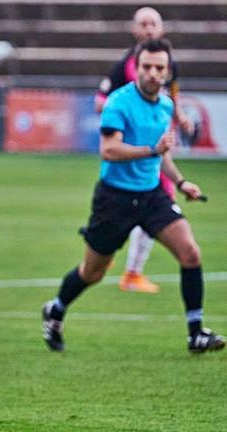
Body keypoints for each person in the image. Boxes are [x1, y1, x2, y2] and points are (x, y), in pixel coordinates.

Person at [41, 39, 223, 354]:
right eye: (147, 67)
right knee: (92, 272)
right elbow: (109, 150)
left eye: (160, 68)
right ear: (136, 68)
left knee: (190, 252)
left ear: (167, 72)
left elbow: (161, 155)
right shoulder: (119, 102)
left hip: (152, 196)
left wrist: (181, 183)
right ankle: (56, 310)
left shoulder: (165, 104)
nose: (153, 73)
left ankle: (196, 333)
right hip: (115, 200)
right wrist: (152, 150)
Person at [95, 6, 195, 294]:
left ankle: (128, 267)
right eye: (144, 23)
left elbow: (170, 95)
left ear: (161, 28)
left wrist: (181, 115)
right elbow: (101, 100)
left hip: (153, 153)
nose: (149, 28)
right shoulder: (127, 65)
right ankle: (128, 269)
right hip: (133, 151)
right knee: (141, 205)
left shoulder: (168, 64)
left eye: (154, 23)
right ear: (134, 29)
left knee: (157, 201)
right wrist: (119, 111)